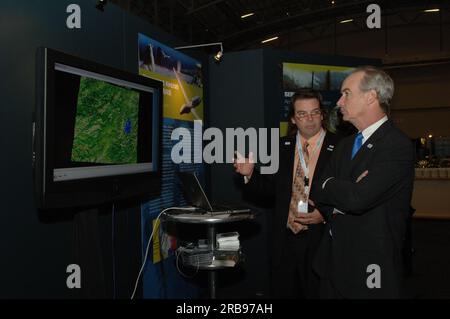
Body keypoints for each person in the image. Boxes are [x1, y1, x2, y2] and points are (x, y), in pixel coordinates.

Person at [312, 66, 415, 298]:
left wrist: (332, 186)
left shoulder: (395, 145)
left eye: (346, 93)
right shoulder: (344, 145)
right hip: (331, 262)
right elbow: (317, 188)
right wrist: (339, 191)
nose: (339, 102)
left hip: (370, 267)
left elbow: (359, 199)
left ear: (371, 97)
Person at [233, 88, 341, 298]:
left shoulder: (340, 146)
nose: (309, 119)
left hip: (321, 239)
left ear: (322, 115)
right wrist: (250, 175)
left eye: (315, 112)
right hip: (285, 239)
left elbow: (348, 192)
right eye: (302, 114)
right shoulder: (282, 146)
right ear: (293, 118)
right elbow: (269, 191)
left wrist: (325, 214)